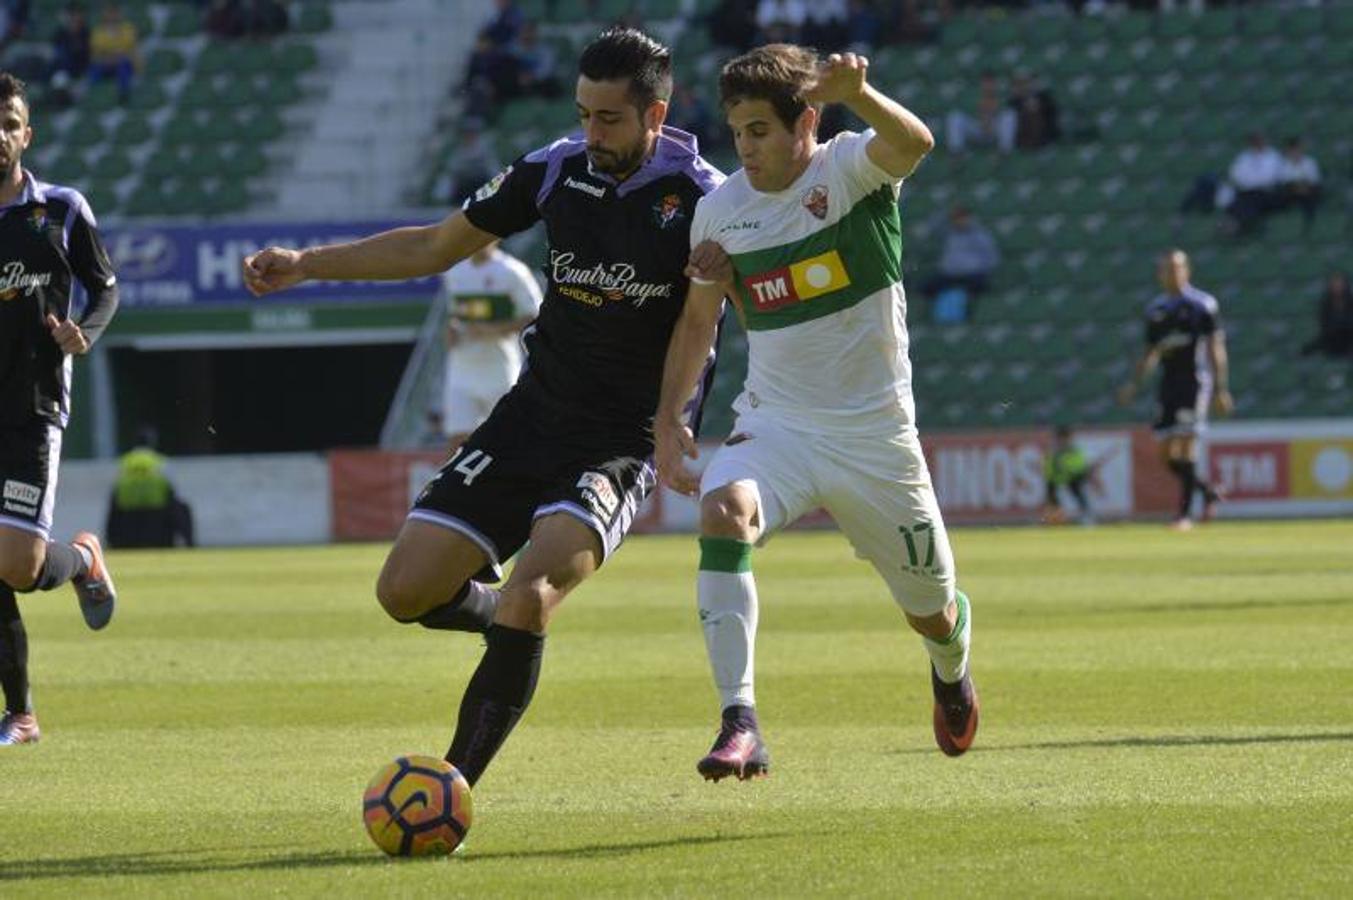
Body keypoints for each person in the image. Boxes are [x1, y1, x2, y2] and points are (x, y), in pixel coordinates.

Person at [242, 28, 726, 791]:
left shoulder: (705, 199)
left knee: (532, 596)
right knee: (404, 591)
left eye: (609, 119)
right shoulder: (554, 169)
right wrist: (307, 265)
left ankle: (452, 788)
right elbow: (432, 247)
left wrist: (672, 422)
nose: (591, 134)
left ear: (655, 115)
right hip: (529, 416)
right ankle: (501, 619)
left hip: (619, 441)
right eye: (583, 114)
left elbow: (709, 325)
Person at [654, 44, 978, 783]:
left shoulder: (849, 168)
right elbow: (699, 323)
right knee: (723, 511)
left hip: (875, 437)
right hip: (778, 426)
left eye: (760, 131)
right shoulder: (720, 211)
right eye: (737, 132)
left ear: (805, 122)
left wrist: (858, 94)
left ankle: (950, 663)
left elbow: (914, 144)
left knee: (930, 611)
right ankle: (739, 721)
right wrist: (669, 420)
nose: (746, 148)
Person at [0, 72, 120, 746]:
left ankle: (81, 559)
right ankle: (20, 715)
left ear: (28, 134)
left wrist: (85, 333)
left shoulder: (62, 209)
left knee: (17, 566)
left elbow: (106, 289)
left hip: (33, 404)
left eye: (9, 124)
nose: (0, 135)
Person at [1116, 249, 1232, 530]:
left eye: (1177, 268)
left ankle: (1184, 516)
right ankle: (1207, 491)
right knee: (1166, 455)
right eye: (1167, 269)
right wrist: (1134, 384)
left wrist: (1221, 388)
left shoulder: (1203, 305)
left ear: (1187, 271)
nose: (1173, 273)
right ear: (1160, 274)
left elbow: (1215, 347)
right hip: (1168, 385)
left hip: (1194, 383)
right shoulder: (1156, 310)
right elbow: (1150, 353)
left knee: (1187, 444)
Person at [439, 240, 542, 449]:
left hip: (500, 369)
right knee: (457, 440)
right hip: (461, 371)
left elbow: (535, 316)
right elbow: (455, 315)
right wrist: (450, 332)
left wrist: (494, 329)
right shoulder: (455, 272)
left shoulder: (512, 271)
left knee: (507, 438)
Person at [105, 443, 195, 549]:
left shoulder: (124, 465)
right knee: (182, 507)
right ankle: (190, 544)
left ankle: (113, 543)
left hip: (128, 531)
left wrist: (110, 540)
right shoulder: (159, 465)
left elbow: (113, 509)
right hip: (158, 530)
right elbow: (172, 500)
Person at [922, 204, 1000, 322]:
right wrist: (945, 214)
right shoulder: (949, 234)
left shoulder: (980, 235)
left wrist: (977, 267)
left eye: (962, 218)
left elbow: (992, 257)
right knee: (926, 288)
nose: (959, 221)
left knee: (977, 289)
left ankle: (968, 317)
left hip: (971, 275)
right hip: (949, 275)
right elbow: (930, 227)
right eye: (956, 218)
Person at [945, 71, 1015, 155]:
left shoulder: (1001, 96)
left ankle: (1004, 151)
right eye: (985, 82)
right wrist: (983, 119)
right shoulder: (972, 96)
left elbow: (1001, 112)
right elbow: (970, 113)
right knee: (955, 116)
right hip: (977, 129)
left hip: (993, 129)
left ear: (995, 84)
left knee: (1009, 115)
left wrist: (988, 120)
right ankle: (956, 151)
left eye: (990, 82)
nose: (988, 85)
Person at [1225, 133, 1281, 236]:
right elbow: (1235, 174)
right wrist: (1250, 180)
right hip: (1246, 191)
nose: (1257, 143)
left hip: (1266, 192)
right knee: (1238, 200)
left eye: (1259, 140)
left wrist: (1250, 180)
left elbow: (1269, 177)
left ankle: (1239, 226)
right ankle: (1239, 226)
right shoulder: (1244, 157)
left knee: (1250, 200)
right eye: (1254, 141)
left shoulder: (1273, 156)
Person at [1042, 425, 1094, 525]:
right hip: (1057, 477)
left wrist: (1069, 470)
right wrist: (1051, 476)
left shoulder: (1073, 450)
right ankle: (1055, 518)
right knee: (1051, 494)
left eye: (1065, 438)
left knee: (1077, 491)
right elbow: (1049, 467)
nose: (1062, 441)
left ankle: (1086, 516)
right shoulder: (1054, 451)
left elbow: (1080, 466)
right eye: (1060, 438)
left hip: (1071, 477)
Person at [88, 3, 139, 103]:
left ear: (119, 13)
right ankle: (90, 97)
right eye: (109, 12)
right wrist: (112, 54)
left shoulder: (128, 28)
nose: (112, 16)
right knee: (94, 69)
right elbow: (97, 51)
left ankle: (123, 95)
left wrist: (113, 53)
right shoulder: (98, 31)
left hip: (124, 62)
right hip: (105, 63)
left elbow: (129, 48)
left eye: (114, 12)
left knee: (123, 66)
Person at [1300, 271, 1353, 359]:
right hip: (1331, 337)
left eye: (1340, 284)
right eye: (1335, 284)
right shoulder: (1326, 303)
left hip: (1348, 336)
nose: (1338, 287)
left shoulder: (1350, 301)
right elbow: (1324, 322)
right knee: (1310, 347)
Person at [1274, 137, 1321, 234]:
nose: (1295, 153)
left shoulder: (1309, 162)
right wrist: (1296, 185)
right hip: (1290, 191)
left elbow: (1314, 179)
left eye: (1297, 150)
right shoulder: (1284, 164)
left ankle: (1308, 225)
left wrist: (1303, 185)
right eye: (1292, 151)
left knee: (1310, 196)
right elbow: (1283, 179)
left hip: (1307, 190)